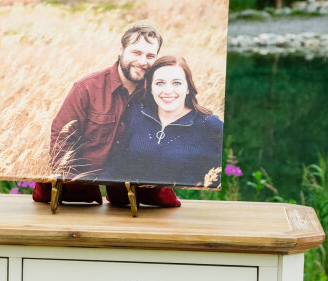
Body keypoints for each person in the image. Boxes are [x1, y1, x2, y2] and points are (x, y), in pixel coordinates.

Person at [46, 23, 161, 184]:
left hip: (129, 188)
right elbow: (62, 138)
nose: (143, 61)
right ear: (121, 50)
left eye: (150, 56)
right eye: (136, 52)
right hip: (83, 184)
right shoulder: (86, 87)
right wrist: (72, 183)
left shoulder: (157, 93)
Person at [103, 54, 224, 189]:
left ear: (188, 87)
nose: (167, 91)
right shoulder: (137, 113)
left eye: (176, 83)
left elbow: (226, 178)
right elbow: (117, 168)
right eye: (160, 83)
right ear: (150, 88)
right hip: (136, 205)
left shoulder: (211, 125)